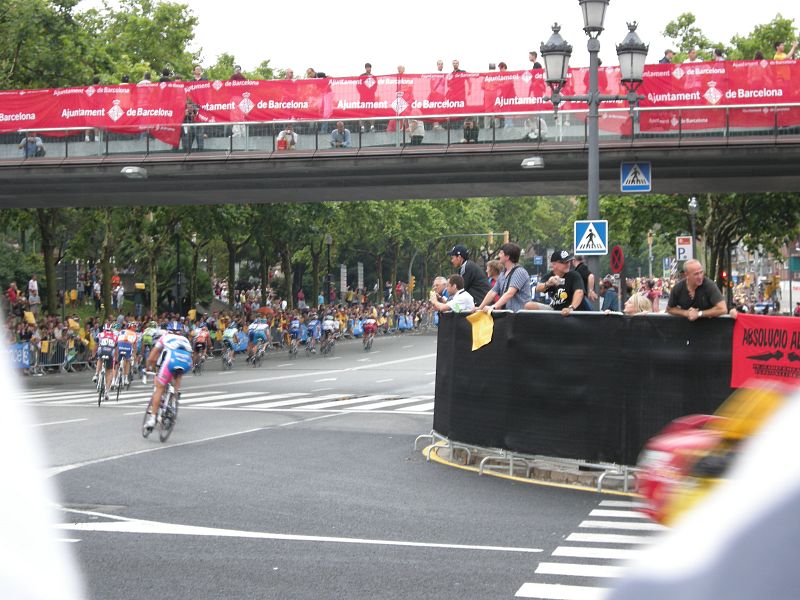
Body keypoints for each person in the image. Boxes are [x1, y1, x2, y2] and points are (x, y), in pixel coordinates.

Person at [144, 323, 193, 430]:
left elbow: (152, 358)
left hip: (170, 360)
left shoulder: (164, 337)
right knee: (178, 375)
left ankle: (152, 419)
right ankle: (174, 398)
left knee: (159, 388)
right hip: (186, 361)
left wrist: (148, 369)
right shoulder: (185, 339)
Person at [527, 249, 585, 316]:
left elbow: (579, 292)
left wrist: (571, 308)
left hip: (572, 312)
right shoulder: (549, 276)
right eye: (564, 262)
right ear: (554, 264)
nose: (567, 264)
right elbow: (538, 288)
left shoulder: (574, 275)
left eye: (568, 261)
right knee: (529, 306)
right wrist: (548, 283)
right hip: (555, 310)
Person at [477, 242, 531, 313]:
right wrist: (479, 308)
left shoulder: (519, 272)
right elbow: (492, 292)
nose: (499, 255)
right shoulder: (503, 273)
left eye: (501, 253)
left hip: (520, 316)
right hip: (508, 316)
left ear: (507, 257)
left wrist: (493, 306)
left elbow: (510, 293)